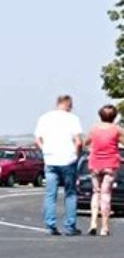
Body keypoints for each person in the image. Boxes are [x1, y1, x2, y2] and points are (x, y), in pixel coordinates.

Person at [34, 94, 83, 235]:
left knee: (50, 194)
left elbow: (38, 139)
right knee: (70, 193)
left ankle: (50, 225)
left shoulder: (45, 118)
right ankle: (70, 226)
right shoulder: (73, 119)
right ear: (68, 104)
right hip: (68, 159)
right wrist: (77, 154)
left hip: (50, 159)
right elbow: (78, 141)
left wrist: (45, 150)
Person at [86, 105, 121, 236]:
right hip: (110, 164)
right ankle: (104, 227)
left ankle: (93, 222)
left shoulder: (94, 129)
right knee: (106, 194)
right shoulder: (117, 129)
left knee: (96, 193)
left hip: (95, 163)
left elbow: (86, 142)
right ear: (115, 116)